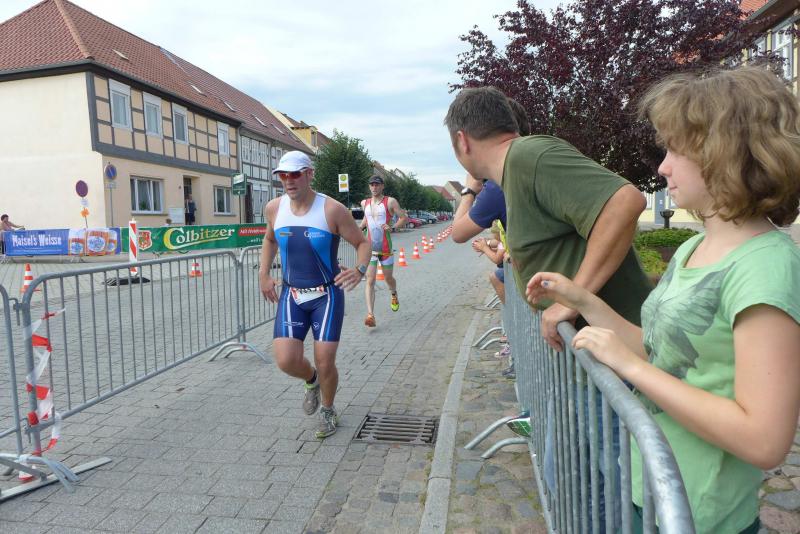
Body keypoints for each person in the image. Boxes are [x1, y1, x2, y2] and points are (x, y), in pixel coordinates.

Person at [527, 66, 800, 534]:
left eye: (676, 149)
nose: (662, 167)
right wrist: (583, 300)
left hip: (700, 514)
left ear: (723, 152)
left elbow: (764, 440)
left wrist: (631, 370)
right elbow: (662, 354)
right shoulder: (695, 247)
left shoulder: (766, 267)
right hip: (653, 489)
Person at [445, 86, 652, 529]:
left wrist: (575, 296)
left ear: (462, 140)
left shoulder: (529, 156)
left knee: (618, 487)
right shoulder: (514, 174)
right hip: (585, 360)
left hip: (613, 360)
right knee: (576, 478)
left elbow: (625, 201)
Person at [259, 151, 371, 439]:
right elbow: (269, 239)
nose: (288, 180)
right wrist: (263, 274)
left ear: (309, 174)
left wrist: (359, 270)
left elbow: (363, 243)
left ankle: (328, 410)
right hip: (291, 294)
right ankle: (312, 381)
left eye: (295, 174)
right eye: (283, 175)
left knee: (325, 360)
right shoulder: (274, 208)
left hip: (327, 295)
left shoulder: (332, 210)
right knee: (286, 360)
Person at [450, 97, 530, 244]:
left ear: (462, 140)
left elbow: (458, 234)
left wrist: (469, 191)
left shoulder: (498, 185)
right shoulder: (537, 162)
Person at [359, 175, 407, 328]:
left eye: (377, 184)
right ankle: (370, 315)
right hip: (370, 249)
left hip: (385, 249)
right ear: (369, 186)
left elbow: (403, 218)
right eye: (372, 185)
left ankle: (393, 293)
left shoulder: (390, 201)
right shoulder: (364, 203)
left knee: (388, 278)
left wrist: (393, 227)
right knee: (370, 280)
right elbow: (366, 219)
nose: (374, 187)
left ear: (382, 186)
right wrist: (359, 228)